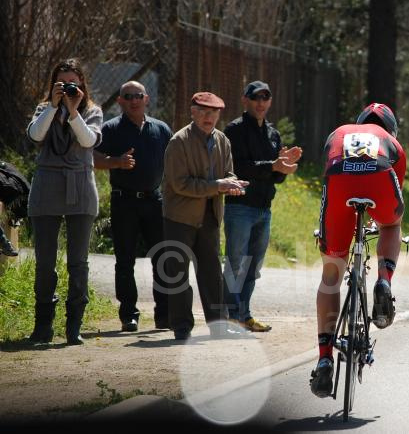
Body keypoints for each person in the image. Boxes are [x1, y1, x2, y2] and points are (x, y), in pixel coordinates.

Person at [310, 103, 406, 398]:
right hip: (379, 176)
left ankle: (325, 356)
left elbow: (326, 168)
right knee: (392, 225)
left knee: (331, 276)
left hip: (339, 181)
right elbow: (393, 197)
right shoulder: (392, 142)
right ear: (390, 127)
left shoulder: (338, 133)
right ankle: (383, 280)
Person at [161, 92, 250, 341]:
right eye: (202, 111)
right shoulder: (178, 142)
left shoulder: (223, 140)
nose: (208, 117)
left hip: (210, 215)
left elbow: (228, 174)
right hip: (180, 216)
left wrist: (232, 184)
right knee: (177, 273)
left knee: (212, 273)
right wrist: (218, 185)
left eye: (213, 112)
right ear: (192, 112)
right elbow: (180, 185)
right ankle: (181, 326)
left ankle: (218, 325)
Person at [26, 58, 103, 345]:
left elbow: (87, 141)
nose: (69, 87)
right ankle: (43, 325)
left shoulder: (93, 111)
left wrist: (73, 110)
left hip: (79, 187)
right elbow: (36, 135)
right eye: (62, 82)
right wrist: (54, 106)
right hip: (47, 186)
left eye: (74, 82)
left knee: (78, 262)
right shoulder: (43, 108)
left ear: (82, 83)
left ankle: (74, 326)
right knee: (45, 261)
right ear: (53, 84)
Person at [222, 81, 302, 332]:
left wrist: (284, 167)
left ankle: (244, 315)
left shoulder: (273, 134)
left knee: (253, 266)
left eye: (265, 98)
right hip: (239, 206)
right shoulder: (234, 130)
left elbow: (275, 176)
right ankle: (228, 317)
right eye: (256, 98)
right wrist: (272, 166)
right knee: (236, 263)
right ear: (245, 100)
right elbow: (239, 168)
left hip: (263, 209)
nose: (261, 103)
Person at [93, 81, 173, 332]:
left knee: (163, 257)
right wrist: (116, 162)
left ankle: (164, 315)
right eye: (128, 96)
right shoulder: (111, 128)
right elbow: (92, 157)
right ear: (120, 101)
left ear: (146, 98)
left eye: (138, 95)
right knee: (125, 260)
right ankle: (129, 315)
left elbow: (174, 161)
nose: (134, 100)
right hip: (124, 201)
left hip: (154, 200)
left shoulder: (161, 129)